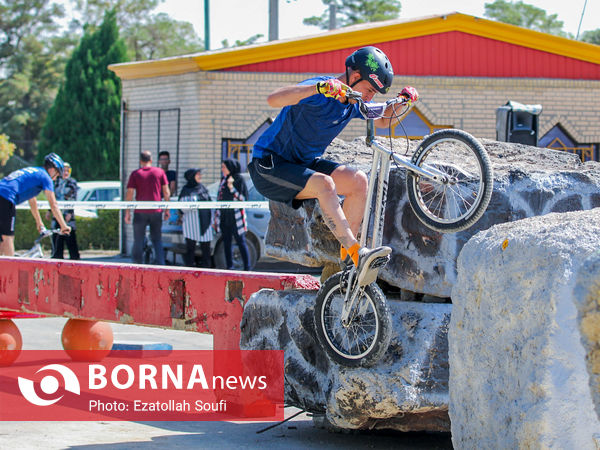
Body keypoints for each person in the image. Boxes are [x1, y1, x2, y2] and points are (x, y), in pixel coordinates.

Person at [248, 46, 418, 283]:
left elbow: (382, 120)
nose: (370, 96)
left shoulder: (354, 102)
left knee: (358, 181)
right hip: (269, 165)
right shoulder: (321, 88)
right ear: (354, 76)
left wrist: (404, 101)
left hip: (303, 163)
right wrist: (318, 88)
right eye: (369, 90)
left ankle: (345, 264)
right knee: (324, 183)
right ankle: (355, 251)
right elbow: (273, 99)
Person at [0, 153, 71, 256]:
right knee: (8, 238)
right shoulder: (45, 177)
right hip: (6, 198)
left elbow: (32, 200)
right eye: (57, 174)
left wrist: (39, 222)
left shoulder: (35, 172)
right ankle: (11, 271)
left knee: (2, 240)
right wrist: (64, 226)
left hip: (2, 194)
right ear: (52, 169)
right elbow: (53, 204)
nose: (55, 178)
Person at [124, 150, 170, 265]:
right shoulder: (159, 172)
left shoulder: (136, 174)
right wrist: (167, 210)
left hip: (140, 211)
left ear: (140, 161)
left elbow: (129, 193)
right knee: (157, 239)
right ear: (151, 160)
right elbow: (166, 192)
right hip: (156, 210)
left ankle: (137, 266)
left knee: (138, 240)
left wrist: (127, 212)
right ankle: (160, 265)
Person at [216, 159, 250, 271]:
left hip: (236, 217)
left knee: (241, 241)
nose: (222, 170)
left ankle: (247, 268)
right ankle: (229, 267)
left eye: (224, 167)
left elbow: (243, 199)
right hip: (224, 216)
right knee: (226, 242)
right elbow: (219, 198)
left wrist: (231, 187)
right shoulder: (223, 180)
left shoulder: (239, 179)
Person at [178, 168, 213, 268]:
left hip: (205, 224)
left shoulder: (202, 188)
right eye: (197, 174)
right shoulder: (186, 190)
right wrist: (194, 204)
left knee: (206, 250)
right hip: (191, 225)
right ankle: (189, 271)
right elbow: (182, 208)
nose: (200, 176)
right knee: (190, 250)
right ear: (191, 177)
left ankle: (207, 271)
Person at [47, 162, 80, 260]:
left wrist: (69, 212)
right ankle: (56, 259)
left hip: (67, 216)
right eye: (64, 170)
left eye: (67, 170)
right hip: (57, 215)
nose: (66, 172)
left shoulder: (72, 182)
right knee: (57, 240)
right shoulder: (55, 182)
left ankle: (75, 261)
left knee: (70, 239)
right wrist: (49, 211)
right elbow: (52, 197)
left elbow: (73, 197)